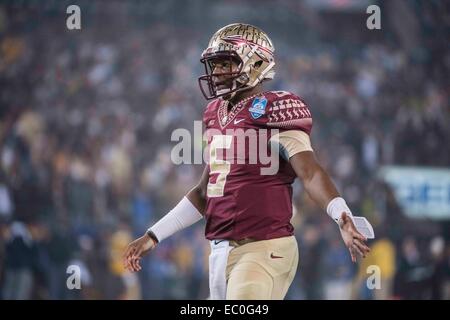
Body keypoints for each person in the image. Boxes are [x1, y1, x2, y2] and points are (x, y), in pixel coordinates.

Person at [123, 23, 370, 300]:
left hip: (264, 248)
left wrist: (341, 215)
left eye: (225, 63)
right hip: (219, 252)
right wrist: (154, 235)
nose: (216, 72)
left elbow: (310, 173)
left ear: (256, 63)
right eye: (214, 65)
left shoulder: (276, 108)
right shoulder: (215, 113)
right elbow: (206, 193)